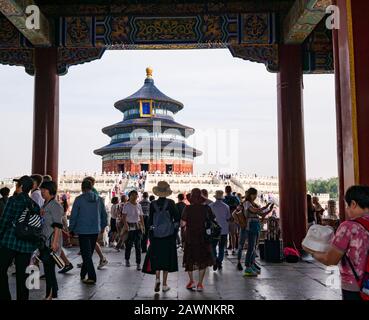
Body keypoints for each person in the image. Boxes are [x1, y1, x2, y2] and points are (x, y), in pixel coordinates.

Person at [304, 186, 369, 301]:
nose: (347, 209)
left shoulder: (349, 227)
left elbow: (330, 260)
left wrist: (311, 252)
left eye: (347, 205)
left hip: (355, 286)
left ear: (353, 204)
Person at [0, 176, 40, 300]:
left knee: (1, 270)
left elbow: (4, 221)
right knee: (23, 276)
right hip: (27, 244)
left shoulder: (13, 200)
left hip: (10, 241)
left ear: (21, 187)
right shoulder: (34, 205)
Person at [143, 181, 180, 292]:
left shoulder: (153, 204)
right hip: (168, 235)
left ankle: (157, 279)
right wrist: (174, 231)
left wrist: (151, 234)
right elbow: (177, 218)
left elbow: (149, 221)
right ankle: (164, 284)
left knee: (157, 257)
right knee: (167, 259)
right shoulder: (171, 203)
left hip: (156, 235)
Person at [69, 179, 108, 285]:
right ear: (91, 187)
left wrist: (71, 229)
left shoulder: (79, 199)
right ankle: (83, 273)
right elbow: (104, 215)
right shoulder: (99, 200)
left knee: (86, 254)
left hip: (83, 230)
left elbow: (74, 216)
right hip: (95, 230)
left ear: (82, 188)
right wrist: (103, 226)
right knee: (88, 253)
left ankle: (92, 276)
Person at [182, 188, 215, 291]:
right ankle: (200, 284)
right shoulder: (206, 208)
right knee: (203, 259)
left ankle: (191, 281)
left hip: (190, 237)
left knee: (190, 259)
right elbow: (212, 219)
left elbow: (182, 223)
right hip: (203, 237)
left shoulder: (187, 208)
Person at [39, 181, 63, 300]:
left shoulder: (55, 205)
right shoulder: (45, 204)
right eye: (41, 190)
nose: (42, 192)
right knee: (48, 268)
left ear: (51, 190)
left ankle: (49, 294)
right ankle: (54, 293)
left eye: (44, 190)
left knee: (49, 270)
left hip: (51, 241)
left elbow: (58, 225)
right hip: (45, 240)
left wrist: (55, 242)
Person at [243, 188, 274, 277]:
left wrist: (269, 209)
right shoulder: (247, 203)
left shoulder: (253, 204)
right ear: (250, 194)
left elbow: (261, 214)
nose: (255, 196)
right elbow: (254, 211)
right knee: (251, 247)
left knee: (254, 247)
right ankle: (247, 267)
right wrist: (265, 207)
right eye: (254, 194)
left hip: (255, 225)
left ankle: (251, 264)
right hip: (251, 225)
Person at [82, 176, 108, 270]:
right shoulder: (93, 191)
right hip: (93, 223)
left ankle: (100, 258)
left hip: (91, 222)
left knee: (91, 243)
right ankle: (87, 260)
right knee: (91, 243)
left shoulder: (92, 192)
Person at [122, 190, 145, 270]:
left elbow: (141, 217)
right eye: (133, 195)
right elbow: (124, 217)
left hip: (138, 227)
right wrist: (126, 225)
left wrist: (143, 226)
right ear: (130, 196)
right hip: (129, 227)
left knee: (138, 246)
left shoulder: (139, 205)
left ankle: (138, 263)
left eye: (136, 195)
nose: (135, 196)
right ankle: (127, 259)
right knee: (129, 245)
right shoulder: (126, 205)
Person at [209, 190, 230, 271]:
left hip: (214, 230)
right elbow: (228, 218)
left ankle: (215, 260)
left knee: (213, 246)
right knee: (221, 247)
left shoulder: (211, 206)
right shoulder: (226, 206)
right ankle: (219, 261)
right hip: (224, 229)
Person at [223, 186, 240, 255]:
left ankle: (225, 249)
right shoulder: (235, 198)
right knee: (233, 235)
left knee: (225, 235)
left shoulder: (223, 198)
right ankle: (233, 249)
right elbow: (239, 207)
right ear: (231, 190)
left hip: (225, 218)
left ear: (225, 190)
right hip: (233, 218)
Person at [233, 201, 248, 271]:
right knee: (243, 246)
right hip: (245, 228)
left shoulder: (239, 210)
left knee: (241, 246)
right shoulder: (246, 207)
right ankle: (240, 262)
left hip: (243, 228)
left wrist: (238, 222)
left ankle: (239, 262)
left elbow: (234, 214)